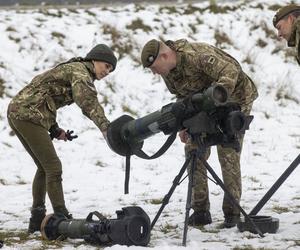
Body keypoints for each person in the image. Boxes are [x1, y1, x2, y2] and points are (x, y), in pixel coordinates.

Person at [141, 39, 258, 228]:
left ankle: (232, 213)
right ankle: (201, 211)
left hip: (236, 97)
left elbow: (231, 72)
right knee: (194, 150)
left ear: (164, 56)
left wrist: (215, 102)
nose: (154, 72)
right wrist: (185, 125)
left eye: (154, 67)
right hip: (205, 104)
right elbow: (183, 97)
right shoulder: (168, 72)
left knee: (227, 151)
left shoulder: (197, 56)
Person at [7, 44, 117, 233]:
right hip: (28, 116)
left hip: (20, 112)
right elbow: (87, 101)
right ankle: (61, 216)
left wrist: (55, 129)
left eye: (110, 69)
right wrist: (106, 128)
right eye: (106, 66)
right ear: (94, 59)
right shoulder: (81, 72)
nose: (107, 71)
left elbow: (44, 95)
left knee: (44, 167)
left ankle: (37, 219)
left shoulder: (73, 69)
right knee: (53, 168)